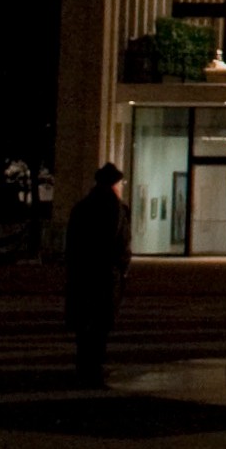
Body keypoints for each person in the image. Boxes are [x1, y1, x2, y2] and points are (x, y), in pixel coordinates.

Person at [66, 162, 133, 386]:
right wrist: (122, 268)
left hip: (84, 273)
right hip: (105, 274)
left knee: (86, 324)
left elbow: (72, 245)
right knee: (100, 324)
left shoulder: (82, 207)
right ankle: (93, 367)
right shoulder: (116, 209)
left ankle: (85, 366)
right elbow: (121, 245)